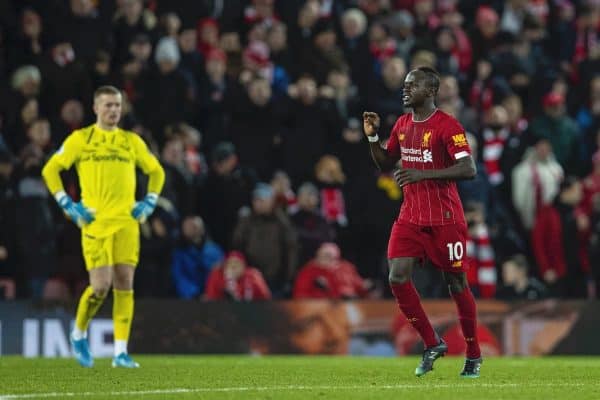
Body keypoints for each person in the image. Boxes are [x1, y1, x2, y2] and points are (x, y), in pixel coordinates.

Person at [362, 67, 482, 377]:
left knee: (456, 283)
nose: (405, 89)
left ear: (430, 91)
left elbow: (468, 169)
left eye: (412, 85)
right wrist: (373, 136)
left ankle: (473, 353)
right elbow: (386, 161)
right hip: (411, 217)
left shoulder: (447, 125)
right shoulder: (402, 124)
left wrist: (422, 174)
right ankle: (432, 342)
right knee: (397, 277)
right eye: (404, 85)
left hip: (445, 219)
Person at [42, 85, 165, 368]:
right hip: (95, 222)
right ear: (96, 108)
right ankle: (78, 333)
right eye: (108, 105)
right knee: (100, 287)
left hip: (126, 223)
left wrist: (149, 201)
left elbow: (156, 171)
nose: (114, 110)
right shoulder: (81, 139)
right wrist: (66, 203)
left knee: (125, 284)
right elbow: (50, 169)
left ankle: (120, 352)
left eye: (118, 105)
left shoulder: (131, 141)